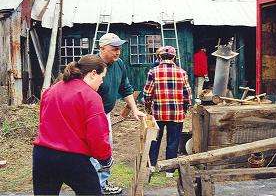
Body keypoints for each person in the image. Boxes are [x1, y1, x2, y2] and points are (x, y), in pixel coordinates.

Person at [33, 55, 111, 195]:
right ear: (93, 74)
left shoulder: (51, 90)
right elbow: (97, 135)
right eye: (102, 77)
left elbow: (43, 121)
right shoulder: (91, 96)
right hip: (73, 157)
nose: (102, 82)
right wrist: (105, 159)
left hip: (43, 154)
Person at [90, 33, 146, 195]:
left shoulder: (119, 64)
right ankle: (93, 186)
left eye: (119, 49)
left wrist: (135, 110)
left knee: (106, 148)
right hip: (90, 116)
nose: (118, 52)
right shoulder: (91, 64)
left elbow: (125, 88)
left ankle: (102, 183)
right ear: (102, 48)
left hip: (105, 114)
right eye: (114, 48)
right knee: (92, 150)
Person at [143, 46, 192, 178]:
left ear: (159, 57)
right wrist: (186, 107)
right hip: (176, 114)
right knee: (173, 141)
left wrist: (148, 107)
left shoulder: (153, 71)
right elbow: (187, 94)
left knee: (154, 140)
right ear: (174, 57)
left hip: (158, 113)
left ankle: (152, 166)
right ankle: (169, 171)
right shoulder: (182, 72)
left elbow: (147, 93)